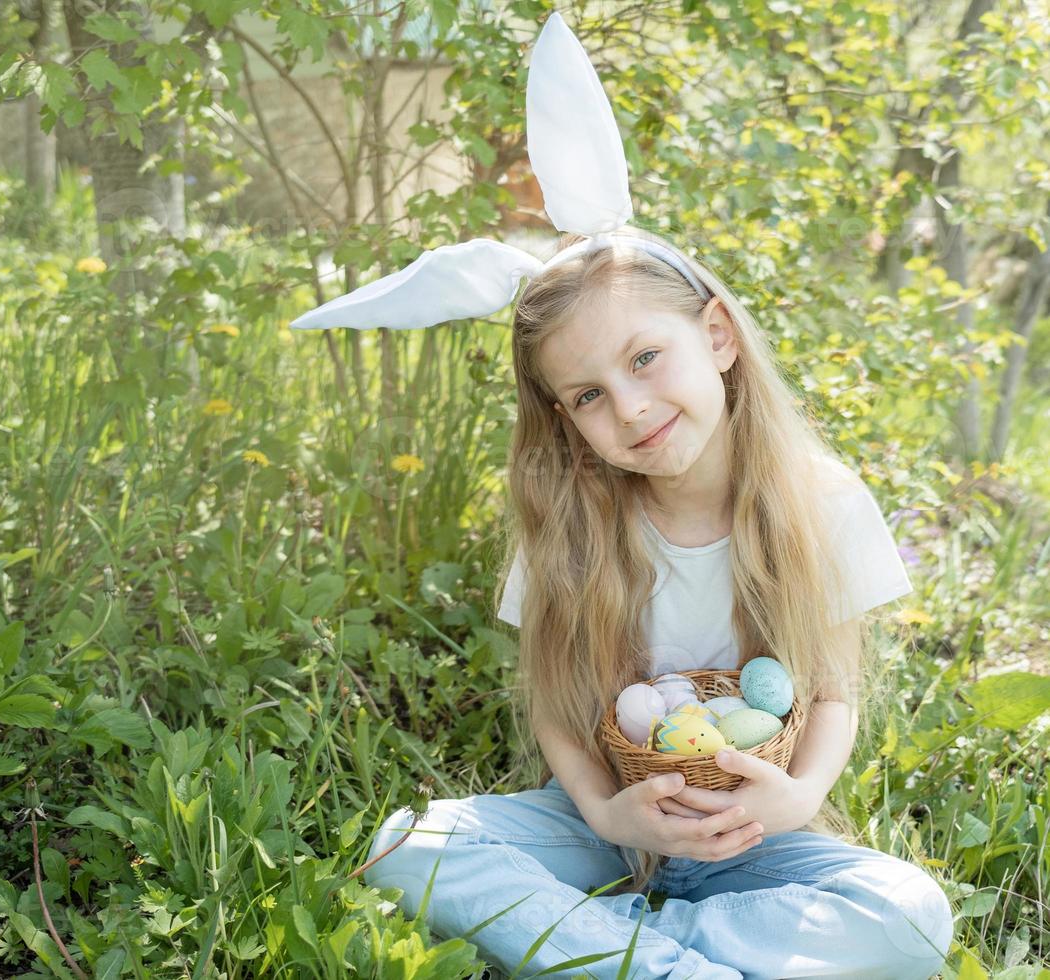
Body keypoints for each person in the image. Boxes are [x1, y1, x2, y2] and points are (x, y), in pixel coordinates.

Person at [290, 12, 956, 979]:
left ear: (718, 336)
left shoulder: (820, 499)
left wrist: (795, 801)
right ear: (565, 420)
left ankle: (617, 954)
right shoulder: (571, 524)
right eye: (590, 395)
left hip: (750, 834)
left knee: (911, 912)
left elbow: (834, 691)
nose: (632, 408)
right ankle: (681, 969)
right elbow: (562, 711)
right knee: (408, 845)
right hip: (604, 827)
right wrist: (606, 811)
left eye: (648, 357)